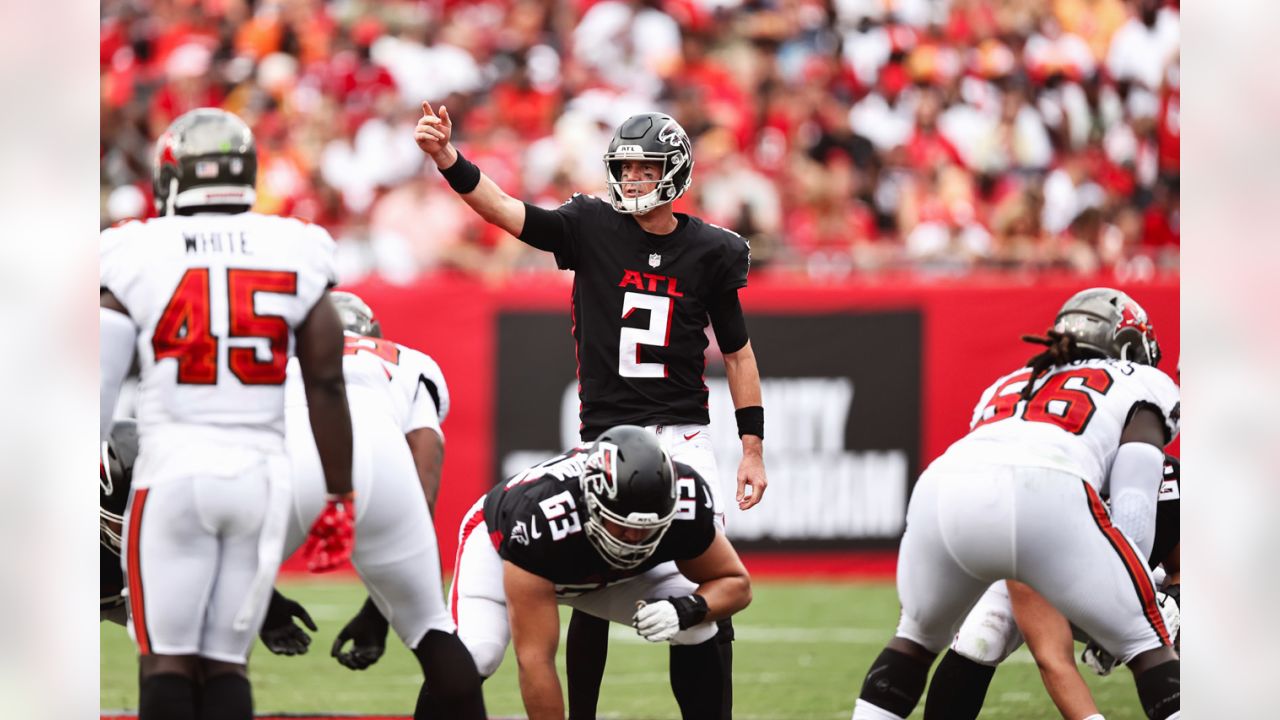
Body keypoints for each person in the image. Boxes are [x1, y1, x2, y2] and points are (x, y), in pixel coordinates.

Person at [416, 101, 766, 717]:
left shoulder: (711, 250)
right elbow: (509, 213)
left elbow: (737, 355)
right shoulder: (593, 225)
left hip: (682, 437)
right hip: (604, 435)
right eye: (624, 168)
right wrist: (449, 158)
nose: (631, 180)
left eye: (644, 168)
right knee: (589, 564)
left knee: (700, 588)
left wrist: (753, 449)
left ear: (675, 172)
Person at [99, 107, 355, 720]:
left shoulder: (133, 248)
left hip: (174, 472)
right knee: (225, 663)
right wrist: (340, 496)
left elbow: (96, 379)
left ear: (172, 177)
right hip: (260, 476)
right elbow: (325, 381)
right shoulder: (297, 245)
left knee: (166, 659)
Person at [849, 287, 1181, 720]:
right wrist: (1129, 612)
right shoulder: (1143, 382)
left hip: (943, 489)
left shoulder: (1010, 381)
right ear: (1126, 347)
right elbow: (1135, 502)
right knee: (1148, 642)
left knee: (914, 643)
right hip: (1046, 494)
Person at [274, 291, 486, 718]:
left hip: (294, 448)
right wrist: (382, 610)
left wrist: (261, 602)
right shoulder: (407, 360)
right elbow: (424, 469)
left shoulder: (276, 359)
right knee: (433, 629)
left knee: (212, 621)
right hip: (384, 457)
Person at [449, 425, 753, 720]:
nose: (633, 540)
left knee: (696, 626)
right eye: (621, 526)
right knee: (477, 654)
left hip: (603, 572)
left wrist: (685, 609)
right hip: (504, 552)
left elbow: (736, 583)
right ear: (593, 503)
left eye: (647, 530)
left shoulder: (687, 499)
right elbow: (535, 660)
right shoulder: (539, 519)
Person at [923, 456, 1182, 720]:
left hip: (1120, 586)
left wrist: (1175, 599)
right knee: (983, 635)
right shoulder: (1041, 492)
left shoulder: (1167, 476)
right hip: (1041, 582)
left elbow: (1181, 566)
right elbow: (1053, 659)